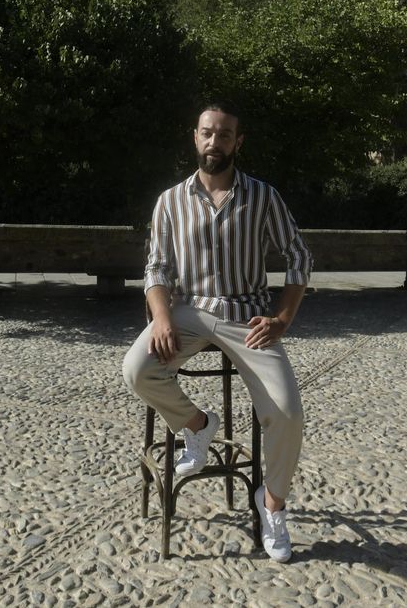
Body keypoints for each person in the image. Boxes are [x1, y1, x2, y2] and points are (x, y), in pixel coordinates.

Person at [122, 103, 314, 562]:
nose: (215, 142)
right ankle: (199, 426)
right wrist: (162, 317)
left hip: (246, 319)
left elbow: (299, 258)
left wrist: (282, 319)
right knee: (137, 369)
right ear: (195, 137)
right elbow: (156, 267)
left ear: (237, 142)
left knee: (288, 415)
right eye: (208, 133)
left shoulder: (263, 197)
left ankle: (271, 503)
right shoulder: (169, 201)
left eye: (225, 135)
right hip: (187, 311)